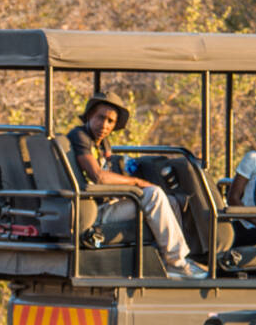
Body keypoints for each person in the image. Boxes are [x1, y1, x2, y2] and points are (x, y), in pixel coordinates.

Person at [67, 92, 208, 279]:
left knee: (171, 201)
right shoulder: (80, 136)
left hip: (106, 203)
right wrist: (136, 182)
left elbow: (107, 172)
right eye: (101, 117)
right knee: (154, 195)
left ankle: (164, 259)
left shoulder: (102, 144)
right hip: (92, 211)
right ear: (90, 115)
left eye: (110, 121)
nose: (104, 125)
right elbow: (99, 176)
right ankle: (176, 262)